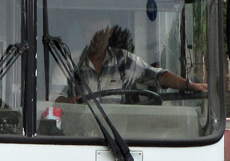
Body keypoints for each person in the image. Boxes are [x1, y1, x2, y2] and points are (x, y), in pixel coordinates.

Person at [56, 20, 207, 104]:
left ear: (109, 33)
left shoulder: (123, 60)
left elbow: (158, 76)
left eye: (102, 32)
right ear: (83, 34)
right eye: (91, 33)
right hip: (79, 138)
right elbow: (55, 98)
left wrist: (188, 85)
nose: (97, 38)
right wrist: (68, 102)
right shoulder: (69, 63)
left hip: (119, 137)